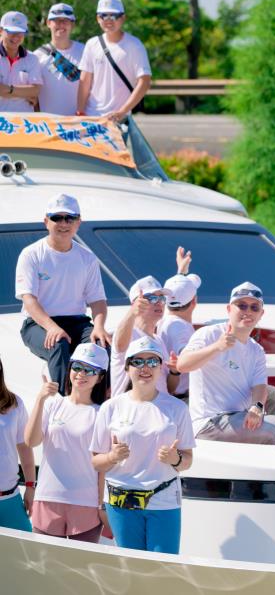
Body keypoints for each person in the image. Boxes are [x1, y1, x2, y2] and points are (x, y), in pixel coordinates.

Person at [176, 282, 275, 461]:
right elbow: (182, 365)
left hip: (241, 419)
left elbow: (260, 386)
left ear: (261, 314)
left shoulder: (256, 349)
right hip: (209, 422)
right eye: (241, 305)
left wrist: (257, 407)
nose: (248, 311)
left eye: (254, 307)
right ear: (229, 309)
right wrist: (217, 347)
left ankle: (260, 482)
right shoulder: (208, 334)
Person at [90, 336, 194, 554]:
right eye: (138, 362)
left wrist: (175, 459)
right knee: (131, 568)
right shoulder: (111, 407)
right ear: (127, 368)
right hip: (121, 500)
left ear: (161, 368)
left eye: (152, 362)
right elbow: (96, 462)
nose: (145, 368)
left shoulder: (177, 409)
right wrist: (112, 457)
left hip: (163, 498)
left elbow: (187, 461)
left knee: (163, 568)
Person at [15, 193, 110, 395]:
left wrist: (100, 326)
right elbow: (29, 299)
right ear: (46, 222)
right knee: (58, 344)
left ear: (78, 222)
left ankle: (100, 402)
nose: (64, 223)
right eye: (57, 217)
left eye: (70, 218)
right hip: (38, 324)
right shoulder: (31, 254)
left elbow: (98, 300)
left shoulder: (87, 258)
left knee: (101, 344)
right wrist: (51, 327)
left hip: (76, 322)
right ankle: (62, 403)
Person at [24, 343, 108, 542]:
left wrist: (101, 505)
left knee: (82, 570)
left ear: (100, 377)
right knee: (44, 568)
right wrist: (40, 399)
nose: (81, 374)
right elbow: (30, 440)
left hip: (86, 503)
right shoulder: (53, 403)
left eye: (90, 370)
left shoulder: (102, 413)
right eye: (77, 367)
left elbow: (103, 467)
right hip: (47, 498)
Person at [77, 0, 151, 123]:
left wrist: (122, 112)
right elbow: (85, 81)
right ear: (97, 19)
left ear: (123, 18)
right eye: (104, 15)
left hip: (118, 119)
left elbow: (144, 82)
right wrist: (80, 111)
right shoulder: (92, 44)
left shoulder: (134, 45)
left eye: (114, 16)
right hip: (91, 116)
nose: (109, 20)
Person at [110, 276, 174, 397]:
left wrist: (175, 372)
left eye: (162, 298)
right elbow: (120, 345)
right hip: (129, 412)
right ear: (135, 303)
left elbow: (167, 387)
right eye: (152, 298)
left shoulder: (159, 340)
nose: (159, 302)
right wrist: (132, 312)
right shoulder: (127, 331)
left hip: (160, 411)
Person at [0, 354, 35, 531]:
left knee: (26, 555)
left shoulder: (15, 404)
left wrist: (30, 486)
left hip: (10, 498)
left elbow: (25, 448)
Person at [157, 267, 202, 401]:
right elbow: (186, 358)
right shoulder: (180, 328)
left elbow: (175, 292)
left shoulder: (166, 318)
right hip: (182, 399)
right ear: (194, 301)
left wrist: (181, 271)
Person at [33, 3, 85, 115]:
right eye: (56, 20)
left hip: (80, 124)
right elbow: (33, 96)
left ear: (72, 24)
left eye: (65, 21)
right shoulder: (36, 57)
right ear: (48, 23)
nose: (61, 24)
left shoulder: (86, 52)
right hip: (49, 126)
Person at [0, 11, 43, 113]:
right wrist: (24, 93)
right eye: (11, 32)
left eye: (21, 32)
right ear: (1, 30)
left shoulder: (32, 58)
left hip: (24, 124)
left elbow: (35, 90)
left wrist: (8, 90)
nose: (16, 37)